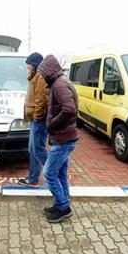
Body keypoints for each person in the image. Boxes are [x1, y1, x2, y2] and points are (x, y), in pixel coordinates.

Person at [38, 54, 79, 223]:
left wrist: (53, 124)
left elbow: (69, 109)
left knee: (49, 174)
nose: (42, 77)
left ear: (49, 71)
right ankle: (61, 203)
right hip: (65, 137)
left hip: (63, 139)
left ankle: (63, 207)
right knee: (61, 173)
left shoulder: (59, 85)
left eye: (43, 73)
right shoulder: (60, 82)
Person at [18, 52, 49, 187]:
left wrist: (37, 117)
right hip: (34, 120)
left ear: (35, 64)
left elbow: (41, 100)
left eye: (29, 64)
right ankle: (33, 179)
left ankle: (54, 172)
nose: (28, 67)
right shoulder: (34, 76)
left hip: (39, 120)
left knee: (38, 149)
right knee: (33, 149)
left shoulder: (40, 77)